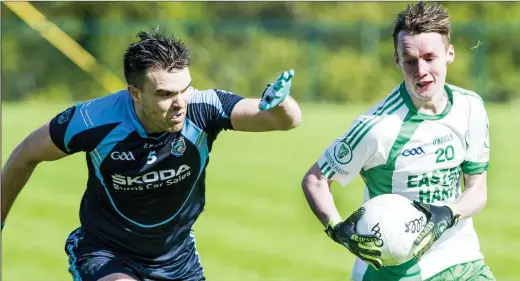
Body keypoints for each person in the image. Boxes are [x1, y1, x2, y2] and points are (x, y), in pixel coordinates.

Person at [1, 29, 302, 281]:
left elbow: (284, 121)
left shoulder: (204, 107)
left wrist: (280, 103)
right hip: (106, 253)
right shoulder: (93, 120)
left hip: (177, 258)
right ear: (135, 93)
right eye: (165, 94)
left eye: (184, 89)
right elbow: (26, 153)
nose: (179, 103)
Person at [301, 2, 495, 281]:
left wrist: (448, 214)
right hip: (398, 271)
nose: (421, 70)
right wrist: (338, 229)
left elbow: (477, 191)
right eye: (410, 61)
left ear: (449, 53)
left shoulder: (470, 107)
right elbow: (315, 180)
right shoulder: (378, 127)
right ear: (397, 60)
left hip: (463, 261)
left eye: (430, 57)